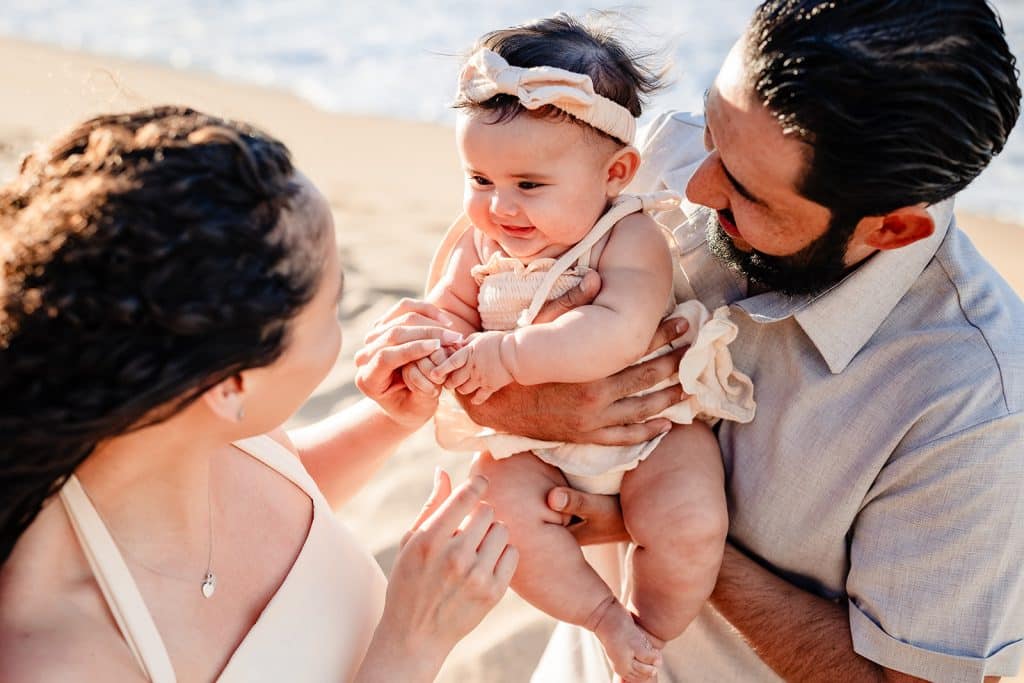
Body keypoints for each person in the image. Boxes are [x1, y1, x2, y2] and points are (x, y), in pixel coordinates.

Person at [371, 0, 1024, 680]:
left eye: (746, 192)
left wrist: (657, 526)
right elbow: (491, 270)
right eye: (713, 128)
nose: (696, 183)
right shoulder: (656, 156)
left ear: (891, 229)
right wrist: (503, 398)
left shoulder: (978, 409)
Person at [0, 106, 517, 682]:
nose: (345, 326)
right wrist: (410, 645)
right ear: (233, 385)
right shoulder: (52, 654)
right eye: (332, 308)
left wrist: (387, 420)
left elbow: (288, 502)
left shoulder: (190, 417)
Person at [382, 15, 754, 681]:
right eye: (478, 178)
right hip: (531, 448)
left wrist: (507, 357)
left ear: (616, 172)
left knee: (690, 520)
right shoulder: (479, 245)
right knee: (500, 514)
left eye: (528, 184)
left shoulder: (628, 236)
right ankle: (602, 616)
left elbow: (617, 329)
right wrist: (438, 343)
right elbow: (452, 309)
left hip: (651, 434)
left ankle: (652, 632)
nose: (500, 206)